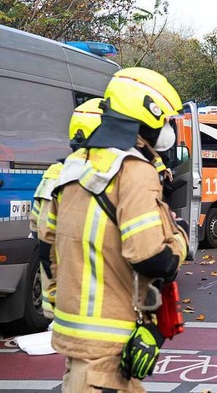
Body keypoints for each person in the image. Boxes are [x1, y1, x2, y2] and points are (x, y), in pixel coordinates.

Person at [39, 67, 189, 392]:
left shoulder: (72, 167)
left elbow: (47, 247)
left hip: (79, 339)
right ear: (146, 116)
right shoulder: (134, 171)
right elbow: (150, 258)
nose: (165, 129)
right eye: (163, 120)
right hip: (108, 349)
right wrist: (180, 239)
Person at [30, 98, 104, 319]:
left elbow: (37, 227)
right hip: (92, 301)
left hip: (58, 297)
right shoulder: (99, 176)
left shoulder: (55, 171)